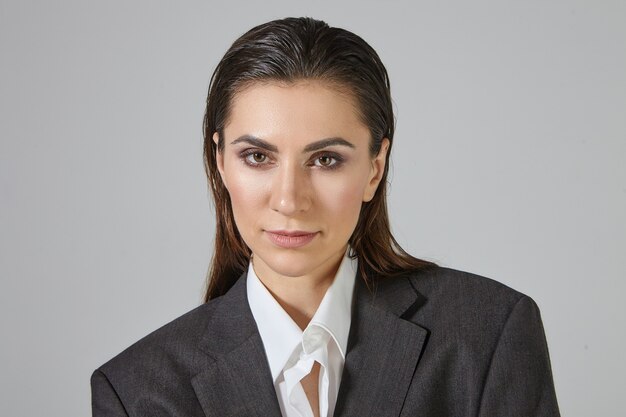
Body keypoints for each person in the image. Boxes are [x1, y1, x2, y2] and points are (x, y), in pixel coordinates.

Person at [91, 17, 560, 417]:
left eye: (326, 159)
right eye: (257, 156)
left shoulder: (488, 336)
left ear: (375, 169)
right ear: (220, 162)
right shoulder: (137, 392)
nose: (290, 200)